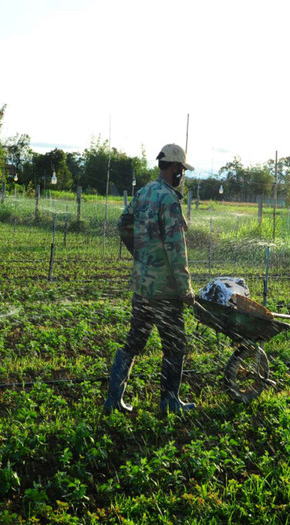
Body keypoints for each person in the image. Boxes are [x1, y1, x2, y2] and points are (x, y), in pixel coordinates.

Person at [104, 144, 196, 413]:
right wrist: (185, 289)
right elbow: (176, 250)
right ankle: (169, 402)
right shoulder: (169, 200)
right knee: (174, 345)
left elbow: (123, 224)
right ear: (176, 168)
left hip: (142, 286)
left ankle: (114, 400)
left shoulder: (144, 192)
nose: (182, 175)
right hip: (165, 291)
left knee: (134, 341)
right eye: (182, 170)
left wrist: (141, 254)